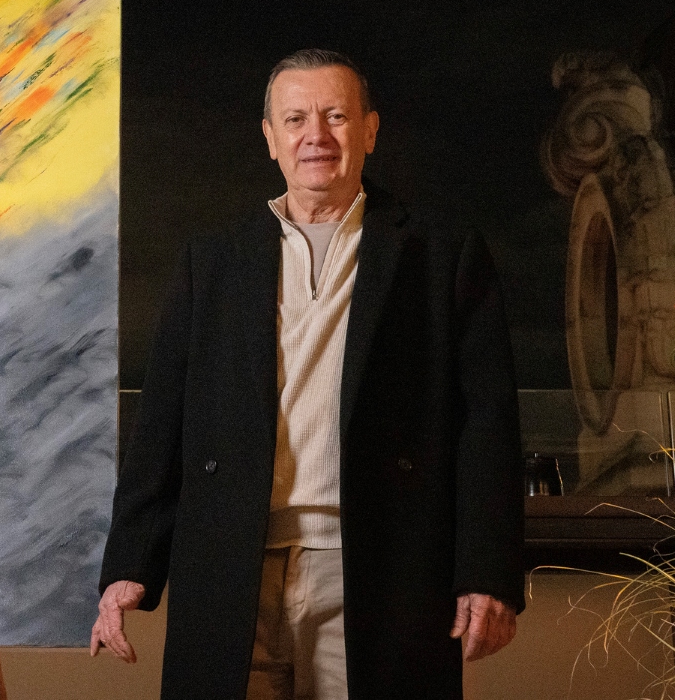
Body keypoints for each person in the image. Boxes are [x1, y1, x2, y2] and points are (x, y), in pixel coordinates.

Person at [89, 50, 523, 699]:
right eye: (295, 118)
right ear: (270, 138)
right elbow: (163, 424)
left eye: (336, 115)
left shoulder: (441, 257)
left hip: (378, 565)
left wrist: (487, 571)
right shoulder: (210, 264)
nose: (315, 135)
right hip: (230, 564)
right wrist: (128, 566)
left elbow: (487, 426)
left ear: (370, 131)